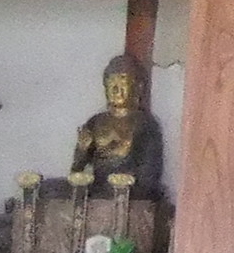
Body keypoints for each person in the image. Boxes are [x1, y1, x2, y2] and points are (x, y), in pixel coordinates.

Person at [70, 54, 164, 198]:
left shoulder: (145, 124)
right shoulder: (95, 122)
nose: (115, 88)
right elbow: (76, 172)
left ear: (138, 86)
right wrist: (82, 151)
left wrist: (125, 181)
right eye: (111, 81)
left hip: (131, 193)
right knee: (51, 189)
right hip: (97, 190)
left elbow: (149, 176)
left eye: (122, 80)